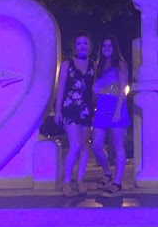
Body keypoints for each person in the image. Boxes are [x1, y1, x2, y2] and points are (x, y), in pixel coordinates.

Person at [54, 31, 95, 197]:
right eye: (79, 43)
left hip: (86, 109)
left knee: (85, 146)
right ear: (75, 46)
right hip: (70, 108)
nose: (82, 46)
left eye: (85, 43)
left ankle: (80, 180)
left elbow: (95, 87)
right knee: (76, 145)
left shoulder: (93, 64)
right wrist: (57, 110)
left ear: (89, 46)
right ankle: (66, 182)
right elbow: (61, 88)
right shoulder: (67, 64)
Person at [91, 35, 130, 197]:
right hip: (101, 108)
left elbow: (123, 88)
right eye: (104, 46)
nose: (107, 48)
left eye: (110, 46)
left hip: (116, 107)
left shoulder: (120, 63)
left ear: (115, 48)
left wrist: (117, 111)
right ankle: (107, 173)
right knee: (97, 145)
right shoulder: (99, 65)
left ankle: (117, 182)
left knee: (117, 146)